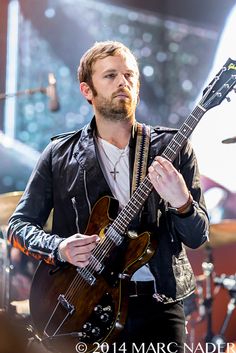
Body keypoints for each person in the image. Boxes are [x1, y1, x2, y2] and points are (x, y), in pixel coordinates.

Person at [7, 41, 209, 352]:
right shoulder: (58, 155)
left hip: (157, 306)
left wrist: (182, 203)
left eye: (130, 76)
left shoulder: (173, 148)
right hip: (83, 305)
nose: (123, 83)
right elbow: (18, 226)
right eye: (111, 75)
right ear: (87, 90)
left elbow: (197, 237)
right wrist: (60, 248)